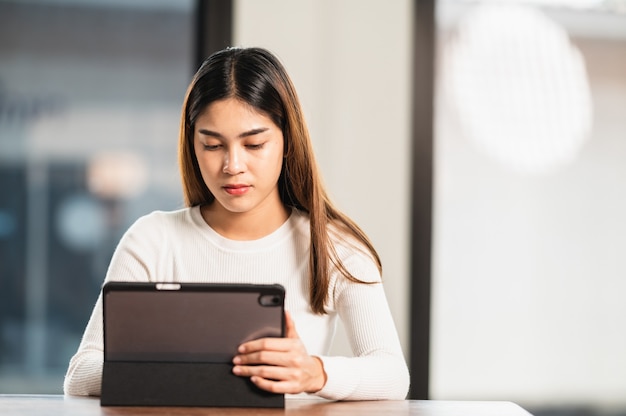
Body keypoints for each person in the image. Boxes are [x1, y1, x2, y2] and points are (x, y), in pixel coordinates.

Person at [63, 46, 410, 401]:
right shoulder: (151, 240)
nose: (232, 165)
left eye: (254, 144)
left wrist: (314, 372)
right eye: (212, 146)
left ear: (287, 141)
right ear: (192, 146)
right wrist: (181, 371)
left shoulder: (333, 246)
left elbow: (393, 375)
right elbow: (80, 374)